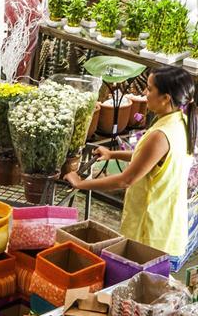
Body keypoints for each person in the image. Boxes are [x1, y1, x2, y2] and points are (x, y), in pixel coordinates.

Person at [64, 66, 196, 258]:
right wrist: (113, 154)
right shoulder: (181, 122)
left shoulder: (160, 136)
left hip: (150, 226)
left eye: (149, 89)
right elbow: (150, 159)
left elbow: (126, 180)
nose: (144, 93)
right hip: (166, 219)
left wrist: (81, 183)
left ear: (166, 98)